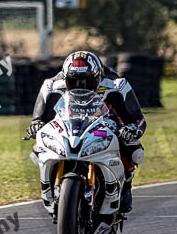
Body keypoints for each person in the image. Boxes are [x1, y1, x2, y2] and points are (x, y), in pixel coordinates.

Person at [26, 51, 146, 215]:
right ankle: (52, 187)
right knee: (39, 148)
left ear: (97, 77)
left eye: (86, 80)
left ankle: (125, 186)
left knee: (134, 150)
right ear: (66, 77)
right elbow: (38, 117)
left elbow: (138, 118)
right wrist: (36, 124)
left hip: (105, 124)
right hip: (69, 123)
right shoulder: (52, 84)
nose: (80, 85)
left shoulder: (116, 84)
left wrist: (132, 128)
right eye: (74, 81)